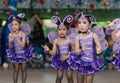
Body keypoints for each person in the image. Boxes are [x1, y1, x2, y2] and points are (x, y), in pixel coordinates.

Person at [68, 12, 106, 83]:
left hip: (91, 62)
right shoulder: (77, 37)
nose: (81, 25)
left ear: (89, 25)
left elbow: (99, 46)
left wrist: (99, 49)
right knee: (79, 80)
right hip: (81, 62)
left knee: (89, 80)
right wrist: (81, 50)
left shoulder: (93, 35)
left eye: (84, 22)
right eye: (79, 23)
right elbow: (76, 51)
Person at [42, 15, 75, 83]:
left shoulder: (70, 40)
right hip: (59, 60)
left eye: (64, 29)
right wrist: (48, 50)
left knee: (69, 77)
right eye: (59, 29)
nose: (61, 31)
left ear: (67, 30)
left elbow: (75, 52)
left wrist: (67, 56)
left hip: (69, 60)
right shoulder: (56, 41)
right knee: (59, 77)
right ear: (57, 30)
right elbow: (53, 53)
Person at [5, 13, 34, 83]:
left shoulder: (22, 34)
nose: (14, 26)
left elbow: (23, 45)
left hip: (23, 53)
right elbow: (10, 47)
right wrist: (10, 42)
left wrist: (16, 39)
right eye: (12, 24)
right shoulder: (10, 34)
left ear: (20, 26)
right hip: (16, 53)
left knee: (24, 69)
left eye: (16, 24)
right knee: (16, 69)